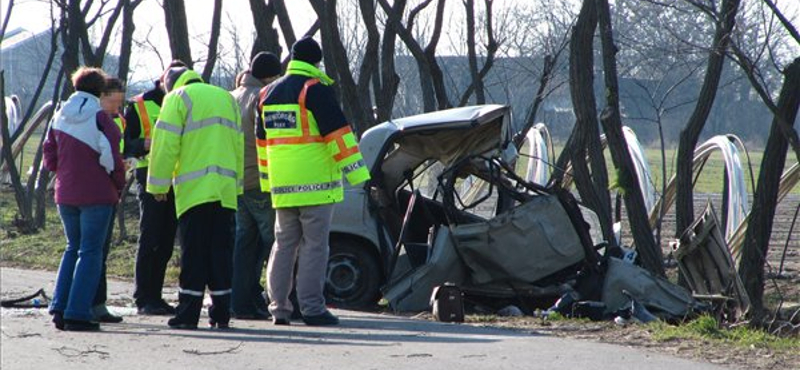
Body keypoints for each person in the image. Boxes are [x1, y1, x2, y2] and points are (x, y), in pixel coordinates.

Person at [257, 37, 370, 326]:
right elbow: (339, 137)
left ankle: (279, 309)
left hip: (282, 187)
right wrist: (360, 177)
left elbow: (263, 145)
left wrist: (268, 183)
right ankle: (311, 308)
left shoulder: (266, 93)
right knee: (314, 247)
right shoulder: (315, 90)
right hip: (316, 185)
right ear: (316, 62)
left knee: (283, 246)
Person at [147, 64, 243, 329]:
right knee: (220, 255)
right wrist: (236, 188)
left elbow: (166, 145)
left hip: (195, 191)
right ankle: (221, 314)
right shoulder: (225, 97)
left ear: (171, 84)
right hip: (224, 191)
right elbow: (238, 144)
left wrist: (158, 186)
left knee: (194, 254)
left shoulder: (177, 98)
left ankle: (188, 314)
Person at [44, 67, 126, 331]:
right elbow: (112, 160)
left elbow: (50, 156)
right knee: (90, 252)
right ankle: (77, 313)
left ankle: (59, 306)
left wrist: (66, 174)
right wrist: (118, 185)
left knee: (72, 248)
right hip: (97, 194)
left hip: (65, 193)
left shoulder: (59, 115)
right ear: (100, 90)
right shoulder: (101, 118)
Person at [123, 62, 185, 316]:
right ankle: (144, 297)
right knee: (151, 237)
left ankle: (156, 297)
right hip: (149, 173)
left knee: (167, 239)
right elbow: (125, 144)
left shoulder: (185, 100)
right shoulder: (138, 104)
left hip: (178, 176)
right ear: (163, 80)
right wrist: (144, 144)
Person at [229, 52, 282, 320]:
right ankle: (271, 298)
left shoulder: (230, 97)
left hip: (235, 183)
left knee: (243, 244)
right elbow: (269, 139)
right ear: (270, 76)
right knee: (273, 244)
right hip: (259, 182)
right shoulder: (262, 98)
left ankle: (239, 301)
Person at [91, 77, 127, 324]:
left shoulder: (118, 120)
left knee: (99, 251)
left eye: (119, 103)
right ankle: (94, 305)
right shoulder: (92, 121)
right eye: (112, 102)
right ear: (100, 97)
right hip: (99, 190)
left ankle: (94, 303)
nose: (116, 108)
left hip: (110, 190)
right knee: (94, 251)